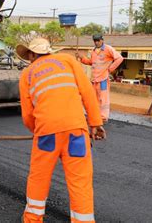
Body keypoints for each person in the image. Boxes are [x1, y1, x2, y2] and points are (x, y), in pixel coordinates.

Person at [17, 38, 106, 223]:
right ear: (49, 51)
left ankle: (32, 219)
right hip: (77, 132)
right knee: (80, 182)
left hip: (46, 134)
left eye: (29, 56)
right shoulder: (67, 60)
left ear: (33, 54)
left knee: (39, 178)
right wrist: (95, 123)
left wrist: (38, 131)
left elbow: (27, 114)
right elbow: (87, 92)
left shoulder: (27, 74)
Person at [76, 34, 123, 122]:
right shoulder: (93, 51)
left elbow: (119, 58)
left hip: (103, 80)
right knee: (94, 99)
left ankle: (103, 117)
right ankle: (96, 116)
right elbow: (91, 62)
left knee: (103, 99)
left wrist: (110, 69)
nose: (97, 42)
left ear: (102, 40)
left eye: (98, 40)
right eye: (95, 41)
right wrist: (82, 58)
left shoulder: (108, 49)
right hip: (94, 80)